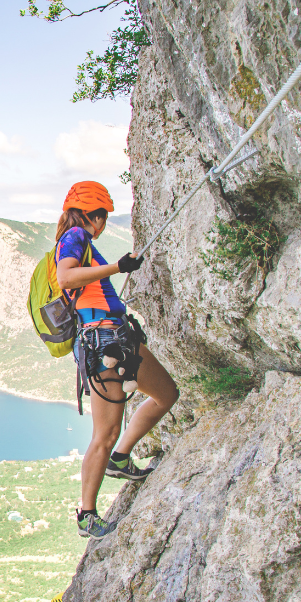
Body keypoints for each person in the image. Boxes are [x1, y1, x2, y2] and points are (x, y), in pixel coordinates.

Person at [55, 181, 179, 539]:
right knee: (105, 433)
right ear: (94, 216)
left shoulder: (82, 240)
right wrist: (117, 267)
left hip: (119, 338)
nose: (103, 223)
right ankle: (87, 515)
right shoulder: (75, 236)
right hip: (103, 343)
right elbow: (66, 276)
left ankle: (121, 459)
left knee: (167, 395)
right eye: (103, 217)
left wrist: (118, 268)